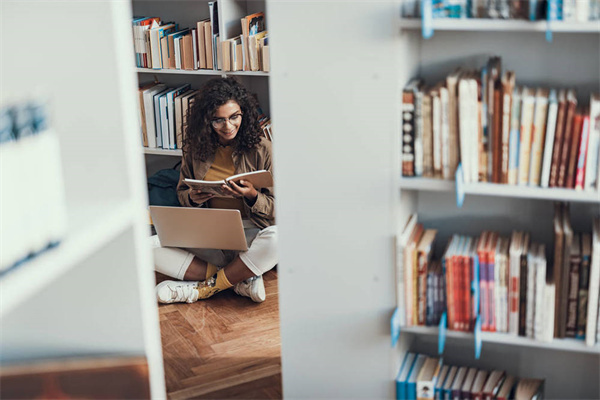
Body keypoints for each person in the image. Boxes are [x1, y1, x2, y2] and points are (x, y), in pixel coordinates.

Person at [152, 77, 277, 304]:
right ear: (206, 121)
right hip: (208, 231)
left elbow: (278, 210)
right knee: (147, 246)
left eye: (233, 117)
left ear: (244, 114)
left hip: (251, 231)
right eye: (218, 121)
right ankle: (240, 278)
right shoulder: (194, 149)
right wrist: (192, 197)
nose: (228, 127)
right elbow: (182, 193)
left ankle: (202, 288)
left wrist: (251, 196)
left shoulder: (263, 149)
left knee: (279, 238)